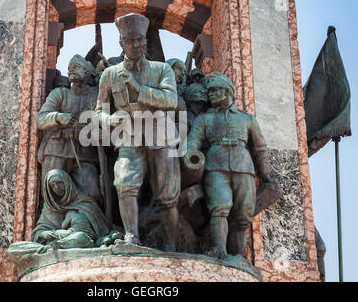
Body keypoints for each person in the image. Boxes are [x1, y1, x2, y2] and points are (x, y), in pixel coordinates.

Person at [95, 13, 181, 251]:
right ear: (121, 43)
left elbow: (171, 100)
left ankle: (172, 245)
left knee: (167, 196)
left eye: (141, 40)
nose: (137, 45)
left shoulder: (162, 69)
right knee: (124, 184)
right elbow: (98, 111)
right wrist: (109, 119)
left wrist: (138, 88)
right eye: (131, 40)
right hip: (129, 137)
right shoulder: (109, 74)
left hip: (160, 136)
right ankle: (132, 238)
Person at [185, 72, 271, 258]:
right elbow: (193, 141)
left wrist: (265, 173)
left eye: (215, 90)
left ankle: (237, 258)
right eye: (210, 91)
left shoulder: (247, 119)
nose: (211, 95)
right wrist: (191, 155)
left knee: (243, 217)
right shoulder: (204, 119)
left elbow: (260, 147)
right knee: (220, 208)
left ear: (227, 91)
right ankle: (220, 251)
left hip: (244, 167)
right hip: (215, 167)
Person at [37, 54, 102, 210]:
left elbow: (104, 120)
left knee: (93, 193)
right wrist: (59, 117)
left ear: (87, 73)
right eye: (70, 67)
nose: (71, 70)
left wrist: (100, 131)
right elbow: (40, 119)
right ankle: (52, 229)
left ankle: (87, 226)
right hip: (57, 149)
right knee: (53, 195)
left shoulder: (96, 96)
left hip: (85, 153)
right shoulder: (59, 94)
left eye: (77, 67)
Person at [32, 169, 109, 249]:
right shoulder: (50, 207)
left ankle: (58, 245)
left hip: (80, 239)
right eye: (52, 185)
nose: (56, 187)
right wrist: (43, 233)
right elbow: (39, 230)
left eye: (59, 183)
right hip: (59, 238)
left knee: (80, 238)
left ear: (67, 182)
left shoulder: (85, 203)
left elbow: (100, 231)